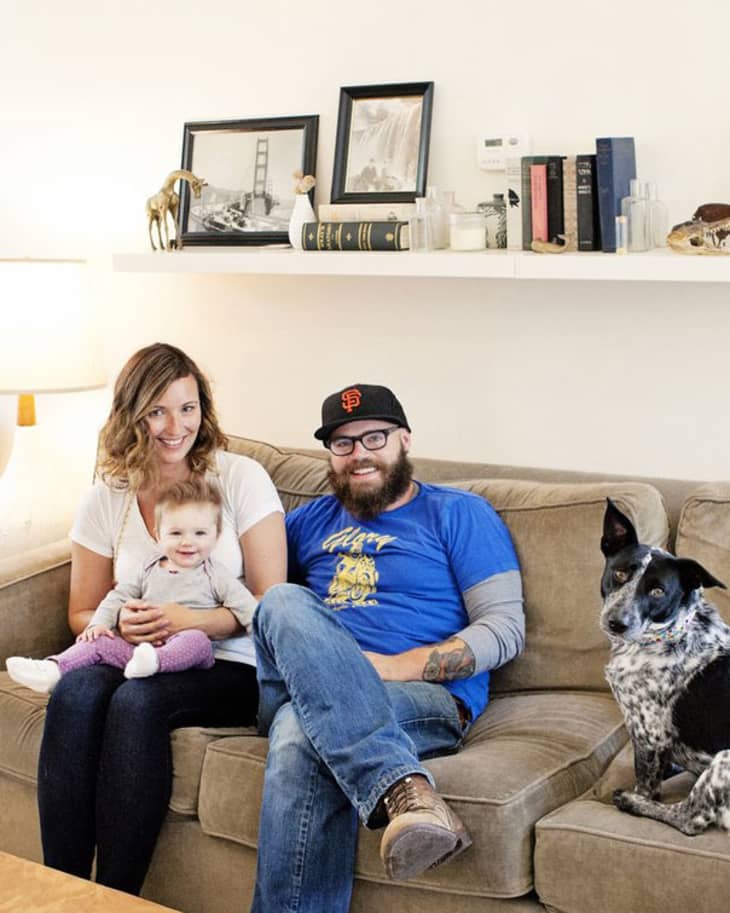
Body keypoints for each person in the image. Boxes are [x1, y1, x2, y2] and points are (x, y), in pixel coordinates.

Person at [250, 383, 524, 913]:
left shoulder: (459, 514)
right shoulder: (305, 522)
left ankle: (403, 790)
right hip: (304, 682)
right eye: (343, 443)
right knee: (281, 599)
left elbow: (505, 628)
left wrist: (394, 668)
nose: (359, 455)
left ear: (404, 439)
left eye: (374, 437)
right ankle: (407, 789)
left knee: (298, 733)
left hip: (423, 695)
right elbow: (256, 609)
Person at [37, 342, 286, 896]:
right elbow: (83, 610)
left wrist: (190, 621)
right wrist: (121, 624)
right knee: (75, 693)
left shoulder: (241, 479)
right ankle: (63, 893)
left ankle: (116, 898)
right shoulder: (107, 497)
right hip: (136, 652)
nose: (176, 427)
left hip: (231, 663)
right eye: (158, 411)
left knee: (137, 702)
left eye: (188, 408)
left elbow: (276, 612)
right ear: (132, 416)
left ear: (204, 409)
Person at [7, 478, 259, 689]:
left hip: (191, 656)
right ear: (159, 536)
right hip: (138, 652)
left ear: (216, 536)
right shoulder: (147, 569)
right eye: (176, 533)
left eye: (200, 533)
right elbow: (116, 598)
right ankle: (53, 669)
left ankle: (157, 661)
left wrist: (268, 649)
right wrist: (98, 625)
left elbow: (249, 610)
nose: (187, 542)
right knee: (98, 642)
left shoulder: (215, 575)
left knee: (196, 639)